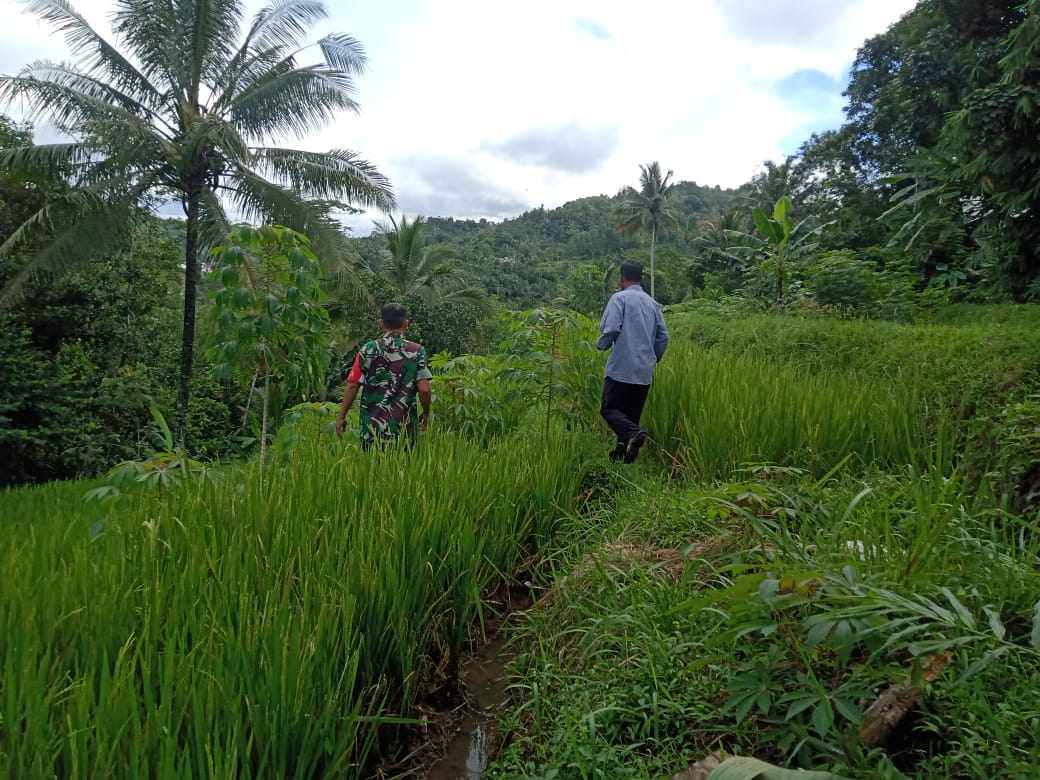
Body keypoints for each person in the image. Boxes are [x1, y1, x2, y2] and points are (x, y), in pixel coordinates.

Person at [596, 259, 669, 463]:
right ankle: (622, 458)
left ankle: (634, 435)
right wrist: (653, 358)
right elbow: (663, 337)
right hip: (644, 371)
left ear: (621, 278)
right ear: (641, 279)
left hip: (622, 367)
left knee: (609, 409)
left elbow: (612, 328)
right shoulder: (652, 304)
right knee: (629, 418)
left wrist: (602, 343)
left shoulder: (619, 299)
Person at [335, 303, 433, 448]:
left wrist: (342, 416)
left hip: (371, 430)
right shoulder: (416, 351)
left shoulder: (368, 349)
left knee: (372, 462)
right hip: (404, 431)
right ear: (406, 324)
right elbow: (424, 390)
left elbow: (352, 385)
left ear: (381, 323)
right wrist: (425, 413)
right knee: (405, 462)